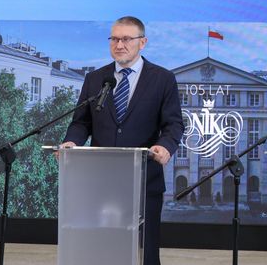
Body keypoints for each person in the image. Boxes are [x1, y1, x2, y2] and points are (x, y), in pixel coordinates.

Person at [59, 16, 183, 265]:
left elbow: (173, 124)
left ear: (142, 42)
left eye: (127, 39)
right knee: (101, 246)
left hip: (144, 178)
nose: (119, 45)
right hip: (101, 179)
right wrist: (72, 142)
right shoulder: (96, 79)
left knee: (145, 250)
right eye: (114, 39)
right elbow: (81, 122)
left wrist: (166, 146)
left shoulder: (162, 78)